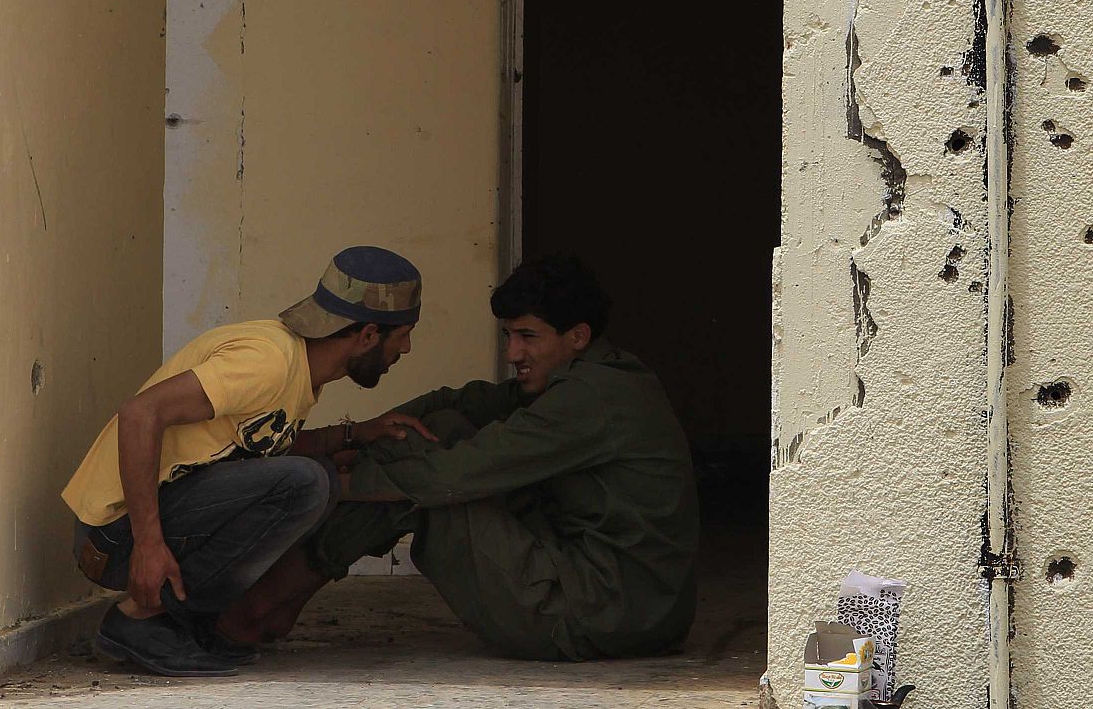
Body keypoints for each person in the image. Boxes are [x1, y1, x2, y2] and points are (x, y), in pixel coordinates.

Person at [223, 255, 700, 662]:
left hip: (591, 615)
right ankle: (280, 601)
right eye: (509, 336)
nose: (513, 352)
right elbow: (462, 402)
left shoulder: (593, 398)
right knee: (435, 429)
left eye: (528, 337)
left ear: (577, 336)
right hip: (632, 610)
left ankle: (267, 603)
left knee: (432, 472)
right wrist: (368, 433)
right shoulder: (597, 378)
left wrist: (334, 483)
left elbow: (455, 475)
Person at [61, 246, 432, 678]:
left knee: (311, 478)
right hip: (113, 536)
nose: (405, 349)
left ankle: (179, 625)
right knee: (310, 484)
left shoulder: (299, 367)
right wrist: (148, 545)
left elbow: (260, 448)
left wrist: (354, 435)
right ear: (368, 335)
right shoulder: (268, 361)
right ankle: (142, 620)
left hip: (136, 527)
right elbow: (140, 414)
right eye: (402, 334)